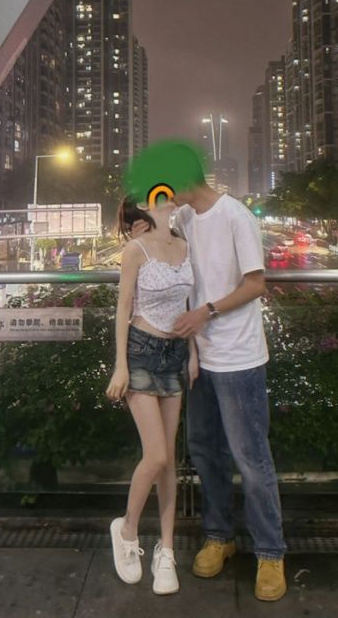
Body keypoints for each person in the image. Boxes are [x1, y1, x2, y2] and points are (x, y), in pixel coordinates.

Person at [131, 147, 287, 602]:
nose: (164, 197)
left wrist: (207, 311)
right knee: (204, 452)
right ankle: (219, 536)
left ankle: (270, 551)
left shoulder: (236, 215)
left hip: (239, 357)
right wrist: (142, 231)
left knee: (251, 458)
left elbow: (255, 283)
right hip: (197, 358)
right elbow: (157, 247)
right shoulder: (184, 219)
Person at [106, 194, 198, 595]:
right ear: (144, 206)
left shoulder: (184, 244)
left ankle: (166, 550)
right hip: (142, 352)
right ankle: (127, 530)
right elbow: (123, 308)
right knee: (156, 455)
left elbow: (189, 303)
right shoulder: (135, 250)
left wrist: (192, 353)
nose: (167, 197)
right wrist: (121, 365)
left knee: (168, 463)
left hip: (175, 354)